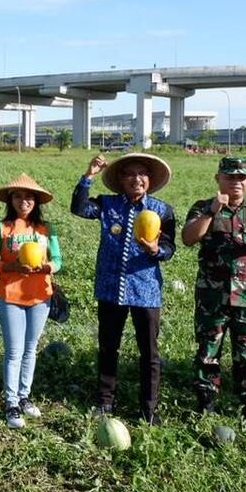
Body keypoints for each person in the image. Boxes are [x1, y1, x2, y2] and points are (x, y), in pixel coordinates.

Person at [71, 152, 175, 424]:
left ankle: (149, 409)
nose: (136, 179)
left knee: (149, 352)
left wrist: (156, 250)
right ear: (120, 179)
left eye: (142, 174)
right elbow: (79, 208)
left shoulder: (162, 210)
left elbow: (169, 248)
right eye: (130, 174)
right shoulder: (107, 204)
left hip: (146, 290)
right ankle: (105, 401)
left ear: (149, 179)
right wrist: (89, 175)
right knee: (108, 347)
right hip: (111, 287)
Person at [182, 156, 246, 427]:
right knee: (208, 352)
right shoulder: (203, 207)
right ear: (218, 179)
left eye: (241, 177)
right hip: (212, 297)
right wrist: (211, 212)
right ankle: (206, 402)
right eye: (230, 177)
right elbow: (189, 238)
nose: (236, 182)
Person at [0, 174, 60, 429]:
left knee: (30, 349)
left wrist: (48, 267)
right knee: (14, 352)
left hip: (40, 297)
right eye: (18, 196)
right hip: (11, 297)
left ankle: (25, 396)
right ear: (11, 200)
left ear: (36, 201)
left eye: (29, 197)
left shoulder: (46, 229)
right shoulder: (1, 228)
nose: (23, 201)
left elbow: (58, 260)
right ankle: (11, 402)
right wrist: (11, 266)